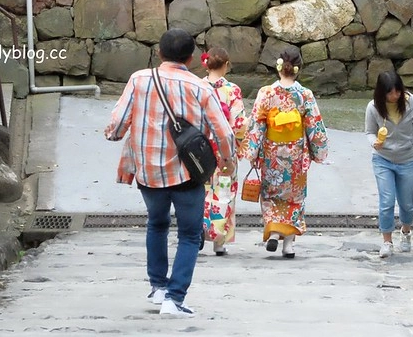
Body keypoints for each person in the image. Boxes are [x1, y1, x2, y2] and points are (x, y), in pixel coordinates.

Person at [104, 28, 234, 318]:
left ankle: (158, 287)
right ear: (191, 58)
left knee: (157, 224)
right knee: (189, 235)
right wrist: (227, 160)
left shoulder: (139, 80)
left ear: (160, 53)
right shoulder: (201, 88)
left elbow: (115, 127)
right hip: (189, 173)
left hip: (148, 172)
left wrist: (121, 131)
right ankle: (174, 299)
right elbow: (223, 131)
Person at [239, 46, 328, 258]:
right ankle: (289, 244)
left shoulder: (266, 93)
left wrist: (252, 152)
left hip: (272, 153)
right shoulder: (304, 94)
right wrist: (318, 151)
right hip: (296, 153)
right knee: (294, 197)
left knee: (270, 194)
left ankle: (273, 231)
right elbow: (314, 126)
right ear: (298, 69)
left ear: (279, 67)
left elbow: (257, 126)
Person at [365, 71, 413, 258]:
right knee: (386, 201)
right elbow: (369, 131)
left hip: (407, 159)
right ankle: (387, 241)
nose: (394, 96)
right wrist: (374, 141)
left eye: (397, 92)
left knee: (407, 204)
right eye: (390, 93)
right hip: (382, 159)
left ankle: (406, 231)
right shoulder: (373, 107)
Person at [201, 47, 248, 256]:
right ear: (226, 65)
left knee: (200, 192)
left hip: (199, 148)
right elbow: (239, 124)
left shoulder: (196, 87)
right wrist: (239, 145)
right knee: (223, 193)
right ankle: (218, 242)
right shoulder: (232, 90)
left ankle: (197, 233)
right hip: (224, 149)